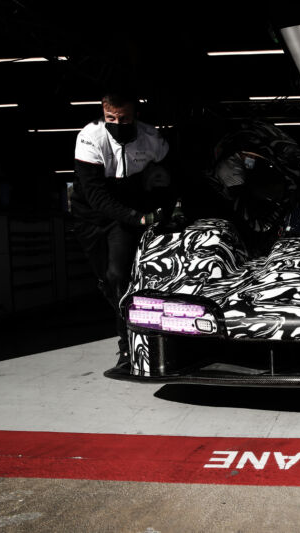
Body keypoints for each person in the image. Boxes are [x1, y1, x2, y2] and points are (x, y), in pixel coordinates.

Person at [71, 90, 175, 369]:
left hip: (126, 214)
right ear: (103, 113)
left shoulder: (152, 139)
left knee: (118, 275)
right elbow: (97, 198)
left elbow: (167, 180)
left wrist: (163, 209)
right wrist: (139, 218)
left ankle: (127, 347)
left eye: (124, 117)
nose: (117, 122)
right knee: (106, 281)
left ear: (135, 114)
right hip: (91, 215)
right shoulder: (89, 138)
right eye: (111, 117)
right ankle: (122, 310)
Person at [202, 120, 300, 257]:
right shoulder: (229, 169)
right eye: (248, 156)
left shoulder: (246, 164)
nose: (250, 158)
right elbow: (244, 209)